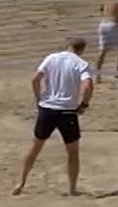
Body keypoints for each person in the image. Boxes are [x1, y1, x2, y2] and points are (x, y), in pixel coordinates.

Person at [12, 37, 94, 196]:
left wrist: (39, 98)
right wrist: (84, 104)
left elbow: (35, 79)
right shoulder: (81, 63)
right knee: (72, 151)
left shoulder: (51, 58)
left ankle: (20, 182)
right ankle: (72, 188)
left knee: (35, 146)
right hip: (67, 111)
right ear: (82, 49)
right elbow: (88, 85)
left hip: (47, 108)